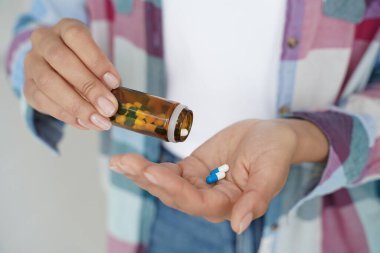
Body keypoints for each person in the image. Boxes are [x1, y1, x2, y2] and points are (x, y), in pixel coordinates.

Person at [6, 0, 380, 252]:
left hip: (329, 216)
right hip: (156, 204)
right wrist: (39, 64)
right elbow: (39, 25)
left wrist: (302, 137)